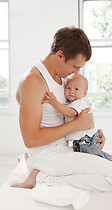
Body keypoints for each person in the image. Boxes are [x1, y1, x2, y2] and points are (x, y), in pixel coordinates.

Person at [11, 26, 106, 189]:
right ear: (60, 55)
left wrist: (89, 136)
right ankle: (40, 176)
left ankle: (39, 171)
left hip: (64, 150)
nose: (76, 73)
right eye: (75, 66)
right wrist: (77, 125)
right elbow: (31, 139)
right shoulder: (33, 81)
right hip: (46, 155)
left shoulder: (64, 80)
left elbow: (68, 116)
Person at [43, 74, 112, 163]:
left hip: (86, 140)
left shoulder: (79, 103)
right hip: (79, 142)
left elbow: (69, 113)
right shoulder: (70, 104)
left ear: (84, 93)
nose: (71, 92)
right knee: (86, 161)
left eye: (76, 89)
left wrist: (54, 102)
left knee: (98, 159)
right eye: (68, 88)